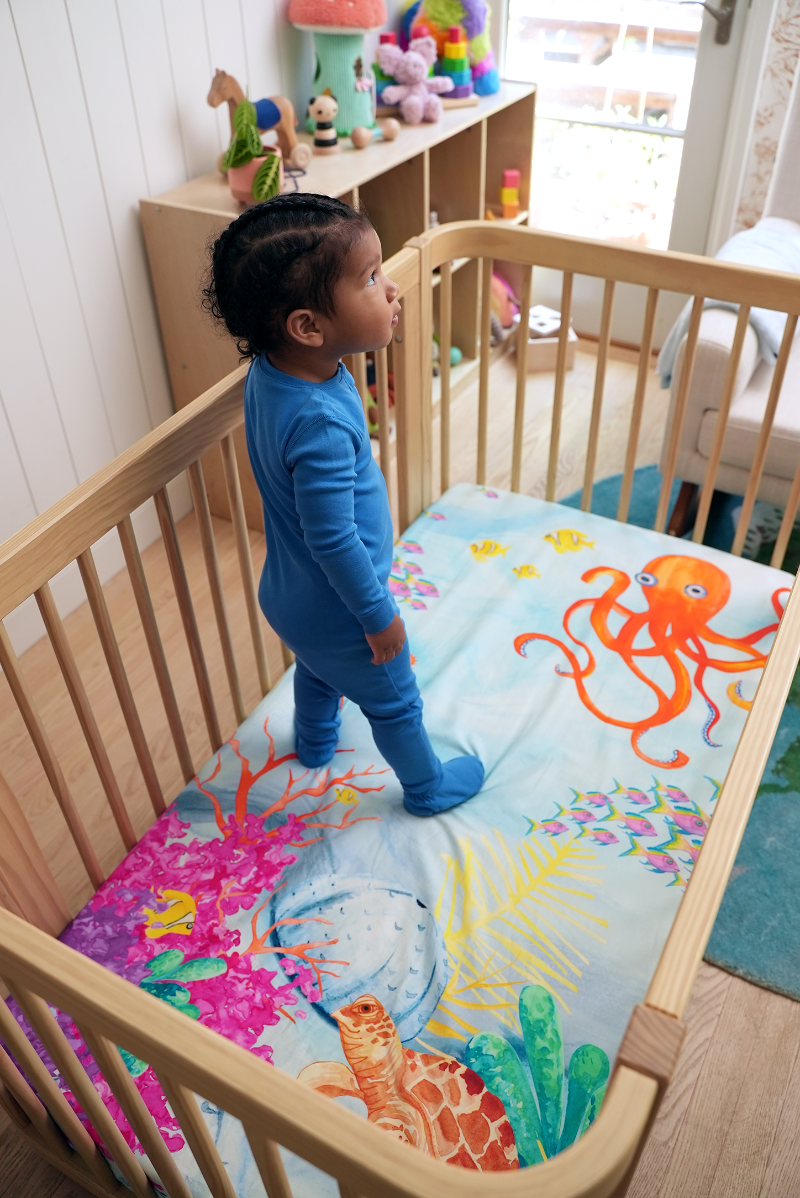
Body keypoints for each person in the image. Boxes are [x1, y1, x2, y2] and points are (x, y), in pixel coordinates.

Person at [204, 193, 484, 816]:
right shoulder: (318, 422)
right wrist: (379, 616)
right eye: (370, 278)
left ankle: (314, 741)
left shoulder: (275, 374)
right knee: (395, 700)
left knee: (319, 669)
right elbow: (333, 539)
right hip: (341, 611)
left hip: (290, 595)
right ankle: (427, 786)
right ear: (308, 326)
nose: (390, 290)